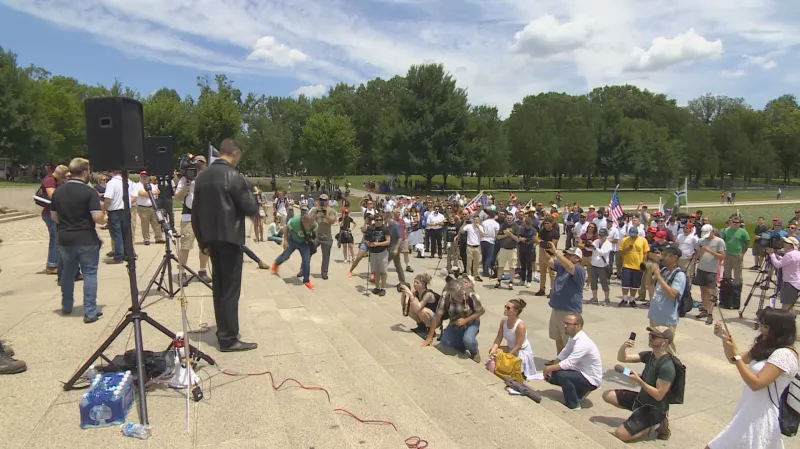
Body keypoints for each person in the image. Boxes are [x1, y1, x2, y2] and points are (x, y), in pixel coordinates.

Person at [192, 138, 259, 352]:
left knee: (219, 288)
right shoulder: (234, 176)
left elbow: (195, 214)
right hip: (230, 239)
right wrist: (252, 192)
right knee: (230, 290)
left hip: (211, 240)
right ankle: (229, 338)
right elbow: (250, 208)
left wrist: (202, 242)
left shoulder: (202, 178)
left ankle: (223, 331)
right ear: (235, 154)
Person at [707, 307, 798, 448]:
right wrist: (724, 338)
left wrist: (737, 358)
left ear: (778, 329)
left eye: (765, 326)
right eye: (760, 324)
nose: (760, 329)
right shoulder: (766, 346)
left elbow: (757, 383)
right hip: (748, 410)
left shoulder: (784, 355)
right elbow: (735, 358)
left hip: (760, 415)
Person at [50, 158, 106, 323]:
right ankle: (90, 311)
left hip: (65, 237)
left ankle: (67, 305)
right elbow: (97, 217)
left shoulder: (58, 192)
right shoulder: (89, 192)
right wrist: (104, 217)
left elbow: (54, 217)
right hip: (85, 237)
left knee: (68, 272)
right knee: (89, 273)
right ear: (84, 171)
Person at [603, 326, 676, 442]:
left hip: (653, 409)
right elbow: (622, 358)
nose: (650, 338)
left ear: (665, 342)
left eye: (654, 336)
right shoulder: (650, 355)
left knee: (621, 434)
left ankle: (656, 424)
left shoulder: (667, 367)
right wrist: (624, 347)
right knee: (607, 395)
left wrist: (639, 381)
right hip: (641, 399)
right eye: (649, 335)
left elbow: (658, 395)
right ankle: (638, 417)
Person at [542, 312, 602, 409]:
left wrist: (549, 368)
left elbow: (569, 363)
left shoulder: (583, 343)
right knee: (552, 376)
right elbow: (564, 353)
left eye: (568, 324)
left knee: (562, 375)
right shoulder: (573, 337)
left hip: (590, 379)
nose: (565, 326)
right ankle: (580, 392)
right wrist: (551, 369)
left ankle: (573, 404)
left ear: (578, 326)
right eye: (564, 323)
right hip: (579, 372)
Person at [422, 278, 485, 363]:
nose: (462, 297)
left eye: (463, 293)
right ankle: (461, 344)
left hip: (471, 322)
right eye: (459, 296)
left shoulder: (471, 294)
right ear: (451, 294)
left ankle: (474, 351)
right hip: (454, 323)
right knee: (445, 342)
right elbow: (437, 316)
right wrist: (430, 337)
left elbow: (481, 311)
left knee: (468, 340)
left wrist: (465, 320)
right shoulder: (446, 296)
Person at [175, 156, 212, 286]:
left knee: (205, 247)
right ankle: (182, 272)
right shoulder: (185, 178)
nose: (199, 167)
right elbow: (177, 197)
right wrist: (186, 186)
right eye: (197, 165)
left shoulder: (208, 178)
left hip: (204, 216)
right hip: (188, 217)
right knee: (185, 246)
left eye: (202, 165)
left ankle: (202, 271)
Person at [546, 243, 586, 354]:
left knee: (569, 342)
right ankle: (560, 360)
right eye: (566, 254)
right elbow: (549, 261)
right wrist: (543, 249)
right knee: (558, 339)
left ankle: (570, 362)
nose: (566, 256)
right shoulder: (562, 266)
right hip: (557, 308)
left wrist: (555, 252)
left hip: (569, 311)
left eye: (569, 255)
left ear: (577, 258)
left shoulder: (579, 269)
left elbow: (570, 267)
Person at [489, 299, 542, 380]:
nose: (505, 309)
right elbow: (498, 338)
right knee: (494, 352)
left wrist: (507, 357)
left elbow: (518, 346)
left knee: (503, 359)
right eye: (505, 306)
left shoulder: (520, 325)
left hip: (521, 351)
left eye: (508, 308)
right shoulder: (503, 322)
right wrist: (493, 349)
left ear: (515, 311)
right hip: (511, 348)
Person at [647, 246, 687, 355]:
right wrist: (650, 271)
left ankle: (672, 365)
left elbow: (672, 294)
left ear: (675, 258)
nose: (663, 258)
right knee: (655, 345)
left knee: (667, 347)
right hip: (655, 314)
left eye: (666, 255)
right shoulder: (664, 270)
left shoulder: (679, 275)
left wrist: (658, 275)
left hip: (666, 317)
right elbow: (649, 284)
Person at [272, 212, 318, 290]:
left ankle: (306, 280)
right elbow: (286, 228)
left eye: (311, 224)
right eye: (308, 224)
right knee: (285, 256)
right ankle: (276, 263)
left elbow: (316, 235)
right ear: (303, 221)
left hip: (304, 243)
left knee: (306, 261)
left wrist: (313, 243)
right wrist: (285, 240)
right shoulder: (294, 222)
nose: (310, 226)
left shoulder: (314, 225)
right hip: (292, 240)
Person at [694, 224, 726, 325]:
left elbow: (722, 257)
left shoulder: (719, 241)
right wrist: (697, 253)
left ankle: (710, 314)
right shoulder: (701, 240)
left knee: (710, 292)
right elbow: (697, 254)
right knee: (703, 290)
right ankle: (705, 309)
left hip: (712, 270)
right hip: (701, 268)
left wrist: (710, 251)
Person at [39, 165, 69, 274]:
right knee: (55, 239)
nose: (65, 178)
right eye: (64, 176)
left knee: (57, 238)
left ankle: (56, 263)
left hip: (54, 213)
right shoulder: (50, 180)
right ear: (60, 174)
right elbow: (53, 196)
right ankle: (51, 265)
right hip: (50, 214)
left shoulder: (55, 180)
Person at [618, 226, 650, 307]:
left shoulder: (643, 240)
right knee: (625, 284)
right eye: (631, 234)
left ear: (637, 233)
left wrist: (644, 263)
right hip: (627, 265)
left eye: (634, 234)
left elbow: (645, 253)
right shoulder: (625, 240)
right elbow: (620, 253)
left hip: (638, 266)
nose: (632, 236)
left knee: (635, 285)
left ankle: (632, 300)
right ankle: (624, 299)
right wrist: (627, 249)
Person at [308, 194, 337, 280]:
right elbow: (310, 221)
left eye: (324, 200)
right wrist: (316, 212)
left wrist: (325, 213)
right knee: (308, 252)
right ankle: (303, 270)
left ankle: (324, 273)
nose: (323, 202)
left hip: (327, 237)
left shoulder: (331, 210)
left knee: (326, 256)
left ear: (327, 201)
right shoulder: (315, 210)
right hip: (317, 236)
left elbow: (332, 221)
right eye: (321, 200)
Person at [767, 236, 800, 313]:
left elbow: (778, 265)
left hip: (790, 282)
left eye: (786, 243)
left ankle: (783, 320)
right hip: (795, 282)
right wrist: (777, 256)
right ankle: (791, 319)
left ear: (791, 245)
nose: (784, 244)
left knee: (785, 306)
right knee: (791, 305)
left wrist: (772, 254)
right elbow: (786, 262)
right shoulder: (797, 253)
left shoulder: (789, 254)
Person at [135, 173, 165, 245]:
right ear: (140, 177)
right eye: (142, 176)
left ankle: (159, 238)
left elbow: (158, 191)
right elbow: (141, 193)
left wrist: (148, 193)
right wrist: (151, 193)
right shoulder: (137, 185)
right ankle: (146, 239)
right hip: (143, 208)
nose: (144, 178)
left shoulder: (151, 185)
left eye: (145, 176)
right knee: (145, 224)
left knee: (157, 223)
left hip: (153, 207)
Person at [366, 213, 391, 296]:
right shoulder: (370, 228)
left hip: (382, 252)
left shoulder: (385, 229)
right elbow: (366, 238)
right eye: (377, 220)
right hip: (373, 252)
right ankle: (377, 287)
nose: (379, 221)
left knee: (383, 271)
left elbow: (388, 241)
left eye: (380, 220)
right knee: (375, 271)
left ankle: (383, 288)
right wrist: (368, 243)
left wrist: (378, 244)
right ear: (374, 220)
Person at [495, 213, 521, 290]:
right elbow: (498, 237)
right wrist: (505, 235)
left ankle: (511, 282)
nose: (509, 219)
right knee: (500, 266)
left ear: (513, 218)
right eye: (508, 218)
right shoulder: (503, 225)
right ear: (506, 218)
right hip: (503, 249)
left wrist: (509, 233)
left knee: (512, 267)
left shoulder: (516, 226)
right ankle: (498, 281)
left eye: (510, 218)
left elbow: (517, 239)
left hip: (512, 249)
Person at [721, 216, 750, 284]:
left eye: (737, 222)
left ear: (739, 223)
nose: (734, 223)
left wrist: (743, 253)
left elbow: (747, 242)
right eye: (733, 222)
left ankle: (737, 288)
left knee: (737, 275)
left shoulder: (743, 231)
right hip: (727, 255)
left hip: (737, 255)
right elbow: (723, 240)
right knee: (727, 273)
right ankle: (727, 287)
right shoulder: (726, 230)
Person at [589, 227, 613, 306]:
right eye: (599, 235)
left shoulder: (608, 244)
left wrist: (594, 248)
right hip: (594, 264)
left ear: (606, 236)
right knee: (593, 282)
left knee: (604, 283)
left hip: (602, 266)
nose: (600, 237)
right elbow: (589, 249)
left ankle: (606, 299)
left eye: (602, 235)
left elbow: (603, 253)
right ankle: (594, 298)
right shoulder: (596, 241)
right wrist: (588, 246)